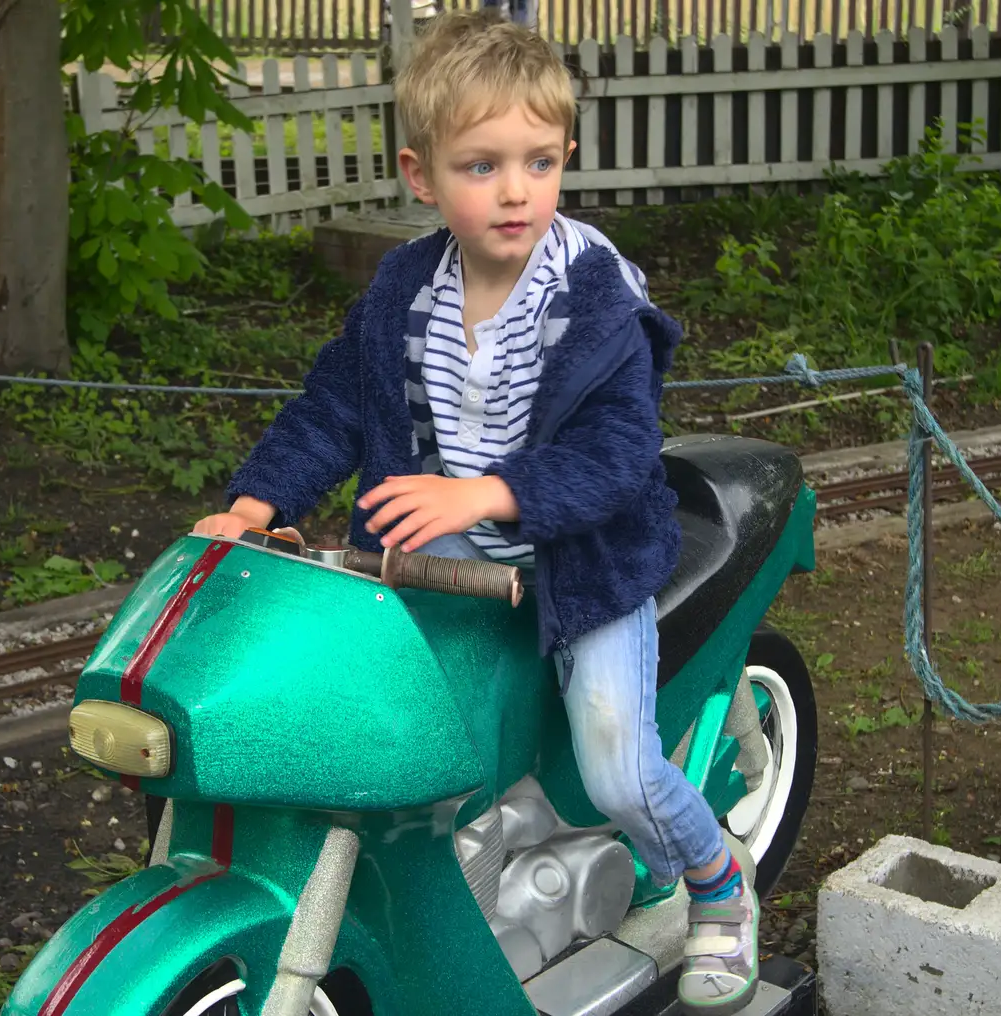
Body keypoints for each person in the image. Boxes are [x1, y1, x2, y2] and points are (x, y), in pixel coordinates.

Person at [191, 10, 756, 1013]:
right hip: (447, 545)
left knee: (615, 760)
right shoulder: (403, 290)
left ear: (566, 158)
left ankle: (713, 876)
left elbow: (621, 460)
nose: (513, 190)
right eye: (481, 165)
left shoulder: (593, 306)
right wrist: (252, 502)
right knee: (381, 708)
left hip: (583, 558)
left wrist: (493, 490)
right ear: (421, 175)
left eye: (538, 162)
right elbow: (334, 404)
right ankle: (441, 882)